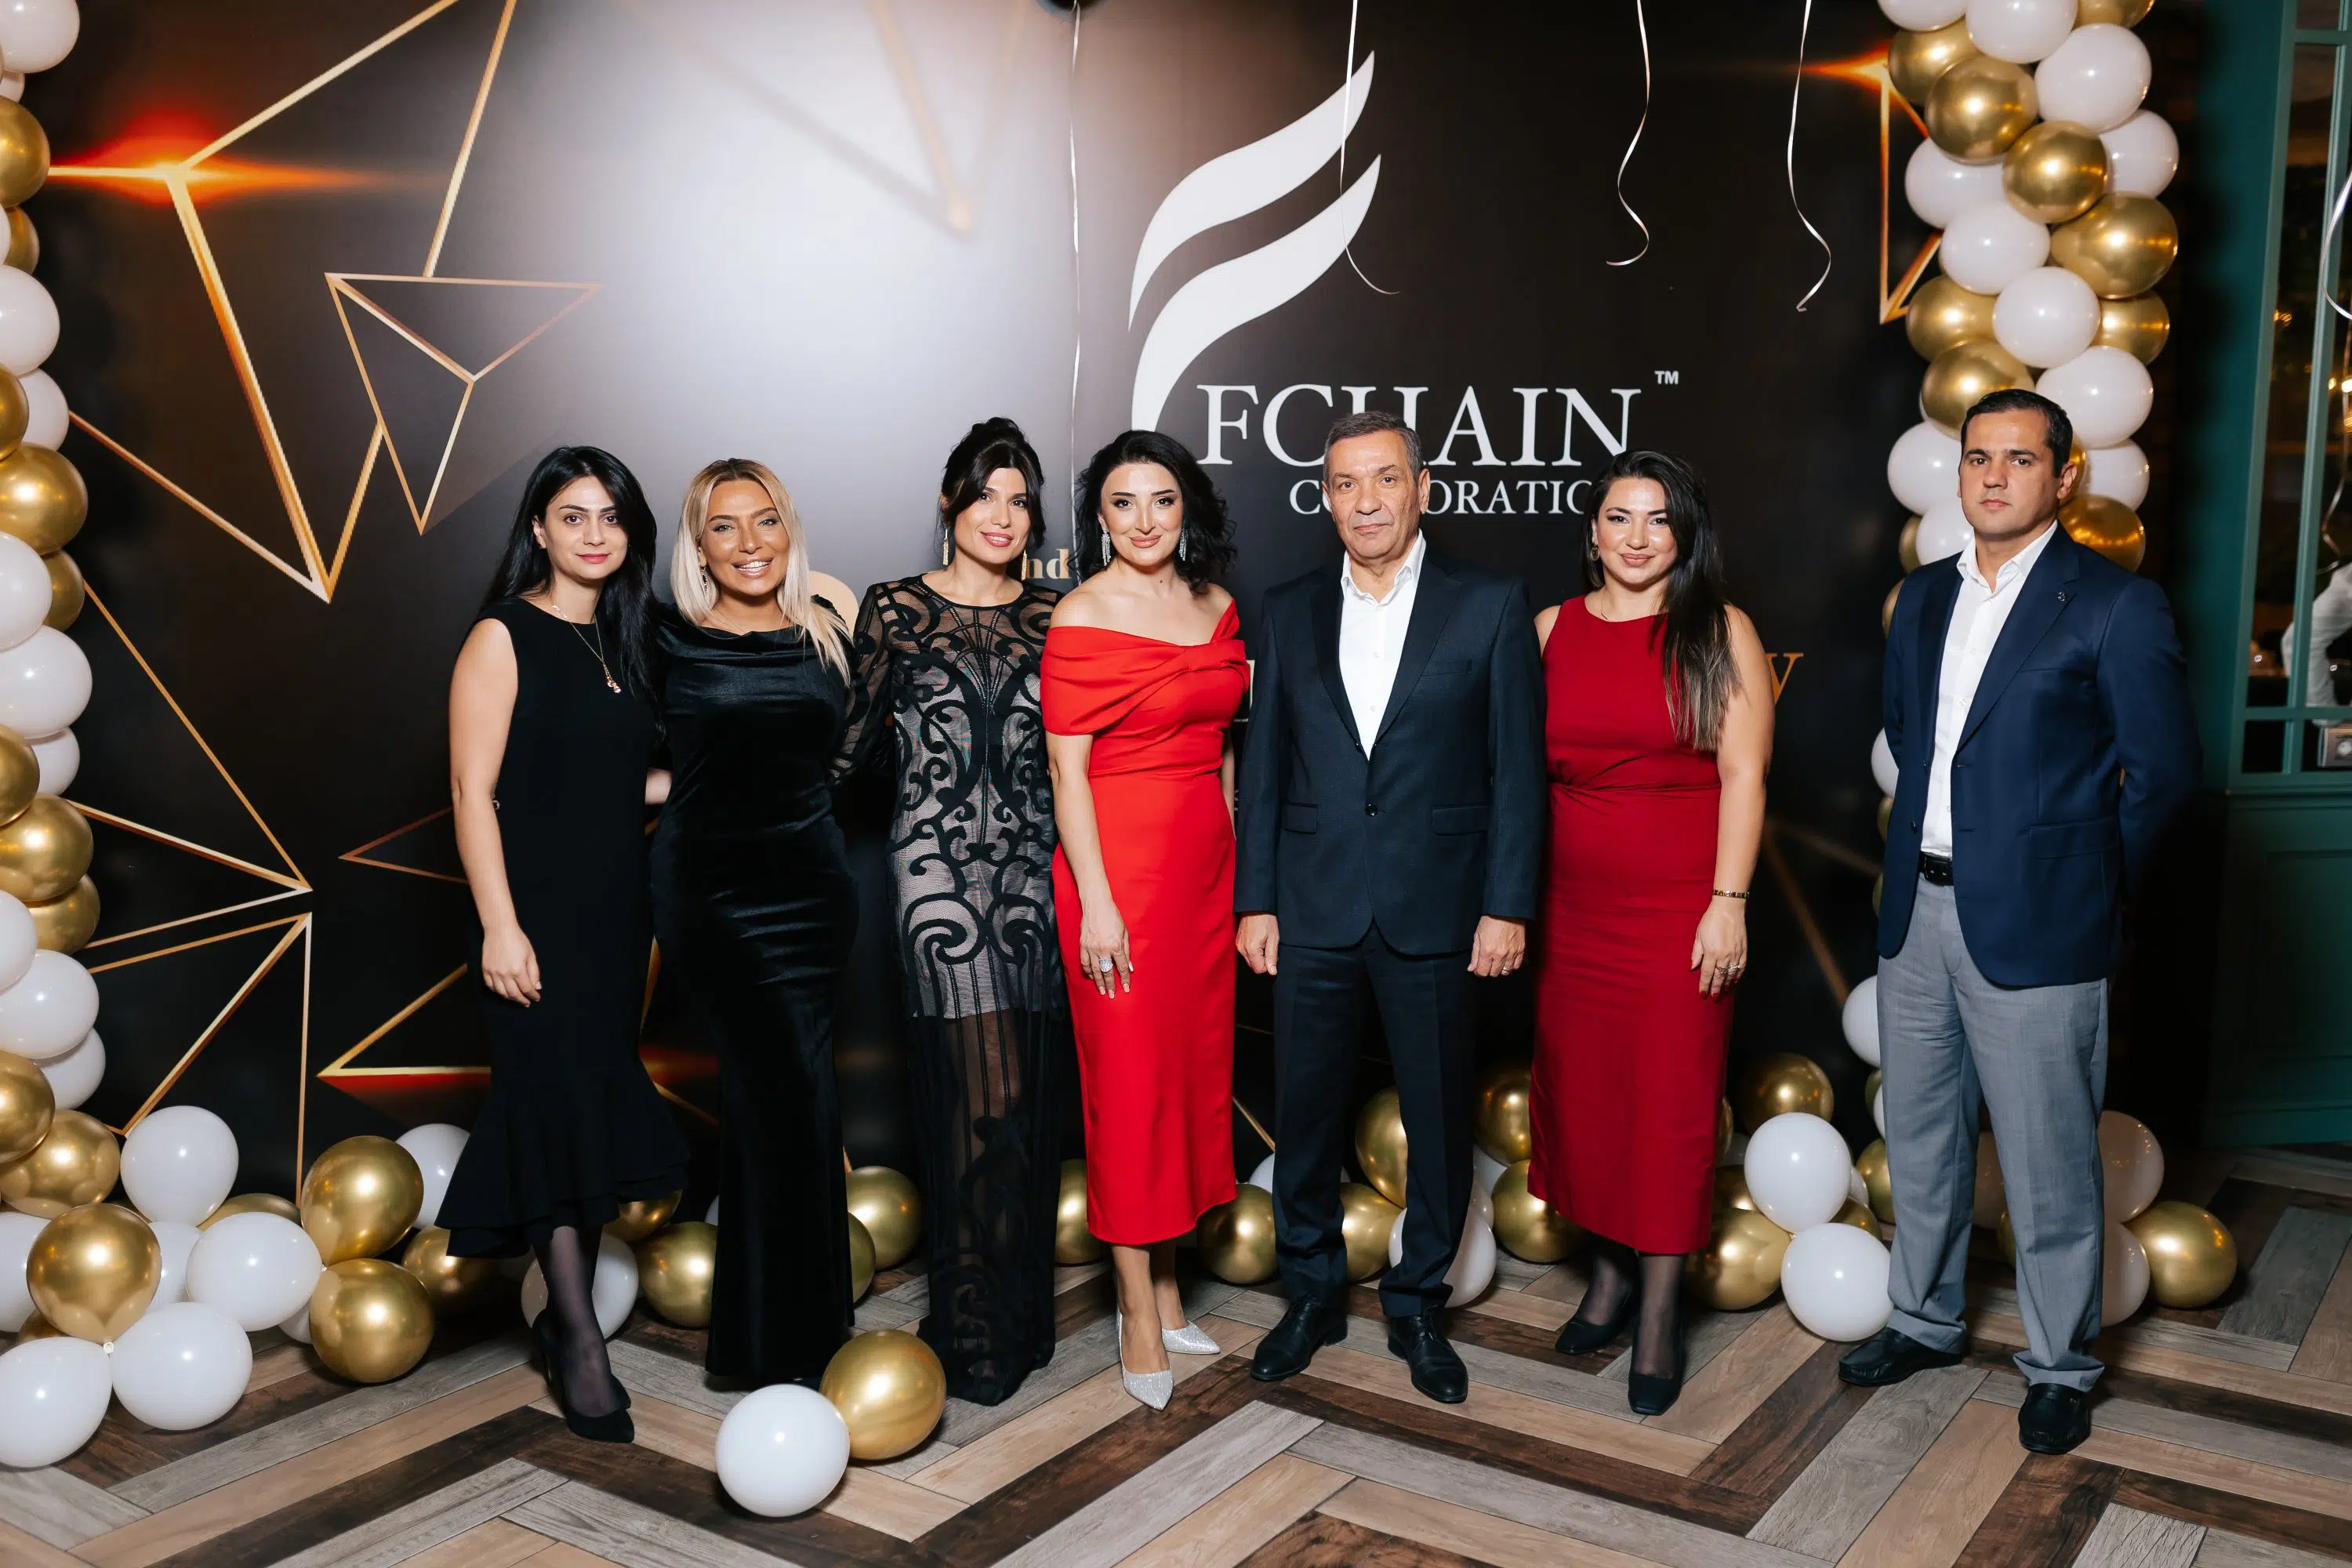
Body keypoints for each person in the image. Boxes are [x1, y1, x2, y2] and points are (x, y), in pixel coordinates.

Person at [1847, 388, 2198, 1454]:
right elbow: (1912, 742)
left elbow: (2165, 777)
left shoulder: (2115, 605)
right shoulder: (1922, 597)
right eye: (1978, 457)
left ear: (2065, 477)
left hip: (2045, 926)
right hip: (1919, 911)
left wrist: (2085, 885)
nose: (1994, 476)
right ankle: (1923, 1319)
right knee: (1924, 1138)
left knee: (2049, 1165)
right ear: (1958, 472)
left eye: (2020, 459)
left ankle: (2059, 1366)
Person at [1235, 408, 1545, 1406]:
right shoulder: (1287, 608)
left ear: (1423, 489)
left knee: (1440, 1120)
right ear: (1325, 498)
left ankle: (1417, 1304)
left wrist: (1506, 904)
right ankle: (1311, 1295)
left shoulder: (1488, 603)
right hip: (1312, 903)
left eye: (1384, 479)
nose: (1364, 501)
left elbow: (1516, 772)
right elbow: (1265, 771)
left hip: (1439, 907)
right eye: (1343, 483)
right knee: (1306, 1115)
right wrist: (1256, 900)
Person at [441, 446, 689, 1443]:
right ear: (539, 529)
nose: (594, 533)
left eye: (611, 516)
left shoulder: (633, 640)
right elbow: (472, 792)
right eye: (573, 515)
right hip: (530, 912)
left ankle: (565, 1320)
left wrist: (707, 782)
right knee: (545, 1102)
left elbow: (613, 780)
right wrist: (500, 924)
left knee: (585, 1101)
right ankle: (579, 1338)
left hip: (614, 916)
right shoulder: (502, 634)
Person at [1525, 450, 1773, 1416]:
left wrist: (1728, 900)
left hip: (1680, 909)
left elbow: (1745, 774)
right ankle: (1609, 1277)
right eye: (1619, 517)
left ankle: (1661, 1309)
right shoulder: (1552, 628)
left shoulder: (1720, 628)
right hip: (1571, 909)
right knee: (1586, 1095)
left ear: (1685, 535)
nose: (1637, 537)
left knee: (1669, 1104)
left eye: (1658, 519)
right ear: (1592, 532)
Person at [834, 418, 1066, 1404]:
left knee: (1016, 1097)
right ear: (949, 502)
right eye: (984, 495)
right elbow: (848, 752)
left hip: (1032, 873)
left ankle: (1014, 1309)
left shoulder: (1059, 613)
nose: (1001, 516)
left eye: (1019, 500)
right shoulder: (895, 607)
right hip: (932, 874)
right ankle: (973, 1323)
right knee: (981, 1088)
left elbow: (1084, 756)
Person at [1043, 429, 1247, 1410]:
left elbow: (1224, 748)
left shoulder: (1216, 606)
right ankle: (1133, 1307)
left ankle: (1168, 1289)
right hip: (1117, 878)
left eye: (1162, 499)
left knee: (1185, 1080)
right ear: (1099, 516)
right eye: (1122, 502)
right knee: (1128, 1093)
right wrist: (1098, 902)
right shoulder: (1082, 612)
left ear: (1187, 507)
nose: (1144, 520)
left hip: (1203, 878)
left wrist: (1236, 861)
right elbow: (1066, 771)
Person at [650, 458, 860, 1388]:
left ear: (790, 529)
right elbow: (612, 753)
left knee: (801, 1098)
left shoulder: (828, 629)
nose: (749, 543)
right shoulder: (667, 640)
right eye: (724, 526)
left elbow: (847, 753)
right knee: (774, 1094)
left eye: (765, 520)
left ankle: (799, 1329)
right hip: (716, 894)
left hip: (814, 890)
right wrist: (679, 792)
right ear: (698, 546)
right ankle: (774, 1346)